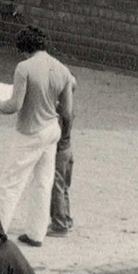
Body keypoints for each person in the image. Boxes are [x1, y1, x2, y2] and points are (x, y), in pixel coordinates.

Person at [0, 25, 76, 248]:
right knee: (43, 182)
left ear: (24, 47)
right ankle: (36, 234)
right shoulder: (63, 69)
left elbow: (14, 105)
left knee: (10, 182)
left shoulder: (24, 67)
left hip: (30, 131)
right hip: (52, 130)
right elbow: (66, 112)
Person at [49, 78, 75, 236]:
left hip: (59, 151)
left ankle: (59, 224)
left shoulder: (60, 110)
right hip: (68, 149)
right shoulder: (70, 108)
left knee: (57, 186)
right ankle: (66, 219)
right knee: (64, 186)